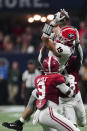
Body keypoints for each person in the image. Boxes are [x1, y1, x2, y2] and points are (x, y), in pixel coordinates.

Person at [2, 56, 80, 131]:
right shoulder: (56, 78)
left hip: (39, 115)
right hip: (49, 113)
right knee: (74, 129)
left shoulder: (39, 80)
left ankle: (19, 122)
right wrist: (72, 83)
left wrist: (20, 121)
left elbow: (32, 103)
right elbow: (71, 94)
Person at [39, 9, 86, 127]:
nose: (59, 35)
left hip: (53, 71)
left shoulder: (63, 49)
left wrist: (52, 22)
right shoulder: (69, 45)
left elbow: (44, 39)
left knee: (81, 122)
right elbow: (58, 32)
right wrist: (56, 22)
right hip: (55, 73)